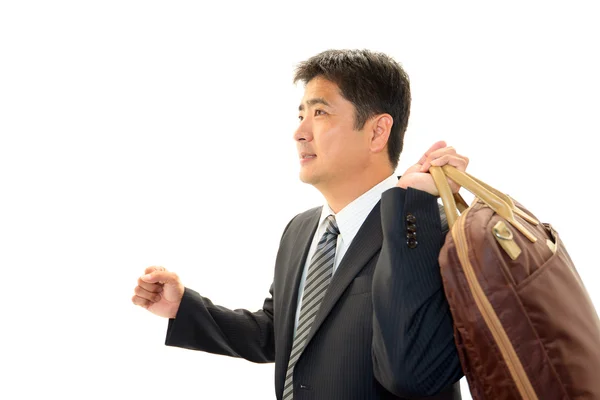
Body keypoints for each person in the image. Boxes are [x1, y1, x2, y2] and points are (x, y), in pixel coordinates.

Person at [132, 49, 467, 400]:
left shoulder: (432, 231)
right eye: (301, 114)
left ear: (377, 131)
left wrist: (412, 204)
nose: (299, 132)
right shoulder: (302, 230)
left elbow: (414, 373)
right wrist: (184, 307)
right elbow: (277, 333)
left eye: (320, 112)